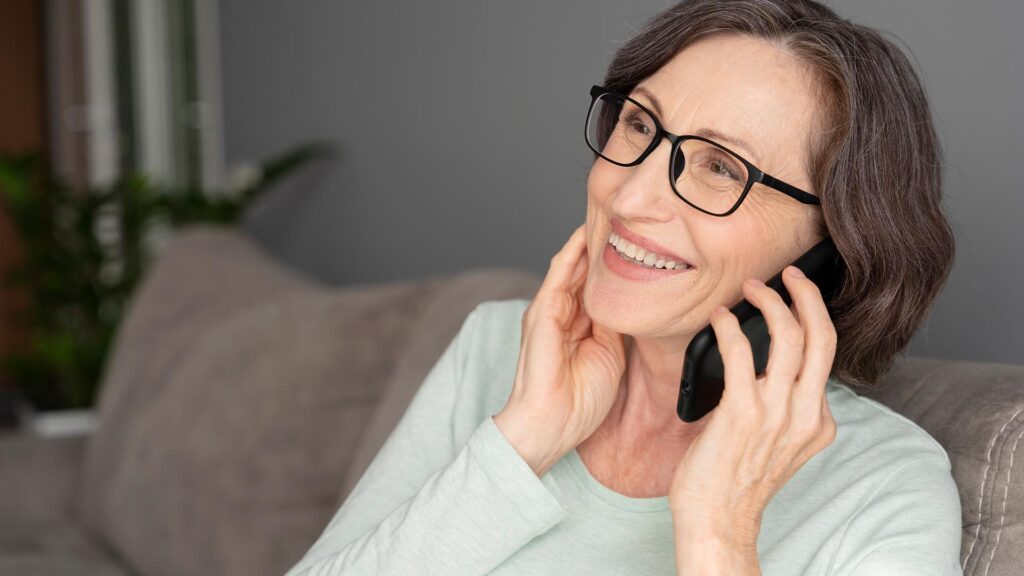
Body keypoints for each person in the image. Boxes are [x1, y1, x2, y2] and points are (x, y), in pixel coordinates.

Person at [284, 0, 963, 574]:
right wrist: (520, 444)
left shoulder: (888, 486)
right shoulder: (497, 348)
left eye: (721, 168)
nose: (630, 194)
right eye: (639, 124)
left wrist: (720, 533)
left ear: (834, 246)